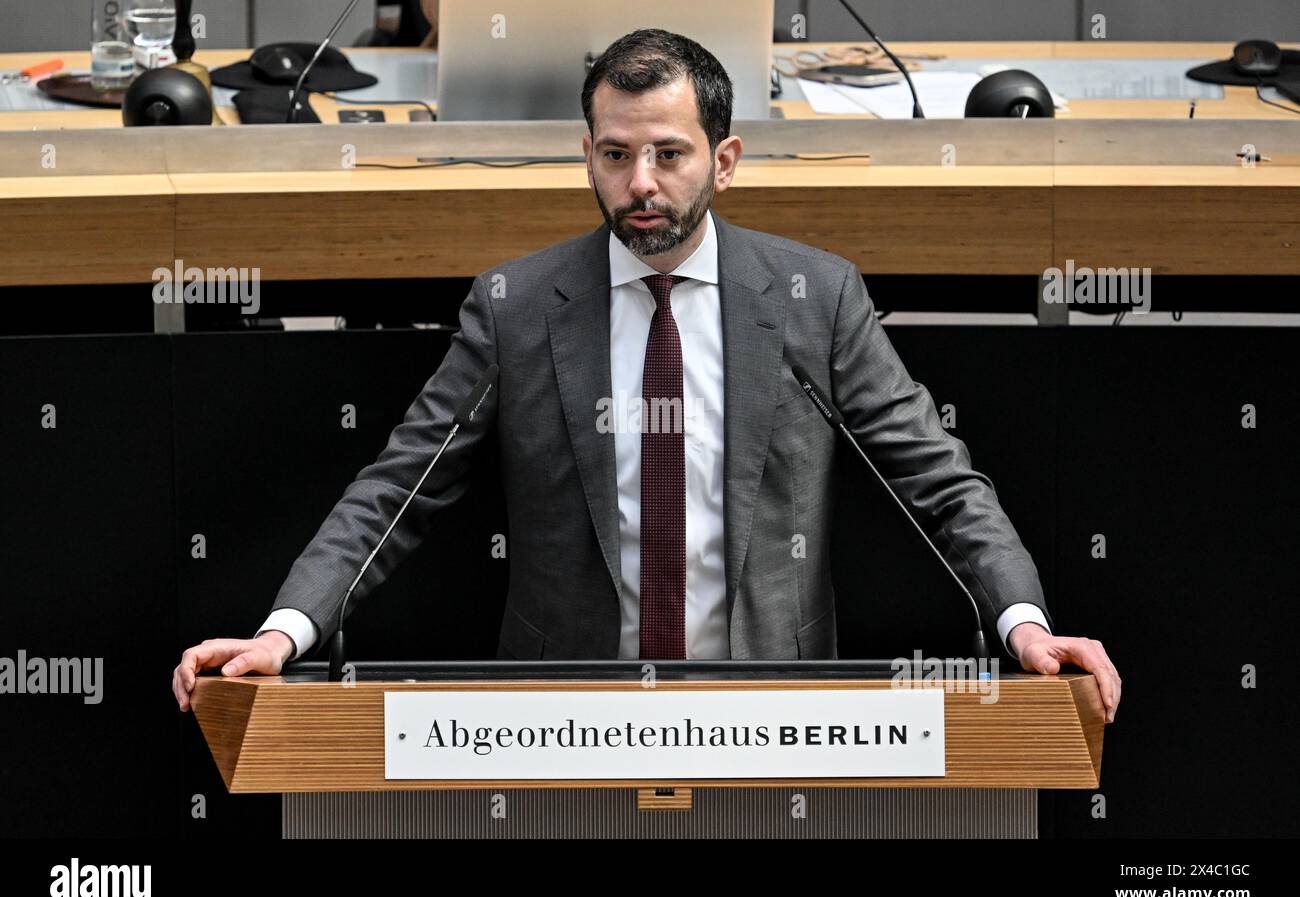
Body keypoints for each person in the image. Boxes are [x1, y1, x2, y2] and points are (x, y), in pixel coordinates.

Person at [173, 29, 1120, 723]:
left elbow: (935, 479)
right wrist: (282, 634)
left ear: (726, 160)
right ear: (586, 156)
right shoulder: (515, 306)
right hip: (562, 717)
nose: (642, 186)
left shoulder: (812, 298)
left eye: (670, 154)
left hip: (776, 710)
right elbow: (396, 490)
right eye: (617, 155)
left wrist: (1023, 623)